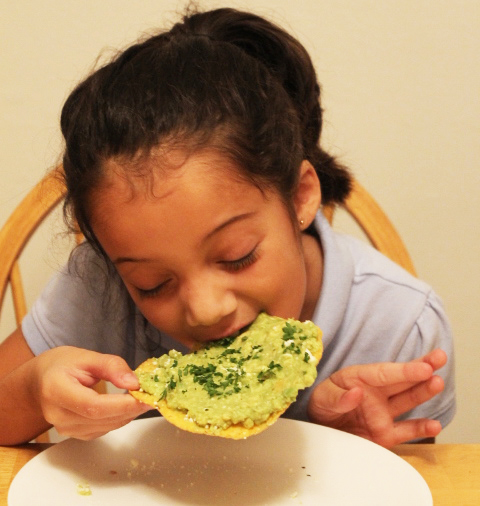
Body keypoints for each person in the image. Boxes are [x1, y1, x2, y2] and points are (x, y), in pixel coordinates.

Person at [0, 7, 454, 448]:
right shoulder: (101, 289)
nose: (205, 310)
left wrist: (344, 444)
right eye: (152, 284)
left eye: (237, 256)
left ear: (300, 197)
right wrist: (31, 394)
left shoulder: (400, 326)